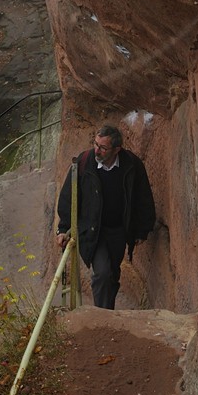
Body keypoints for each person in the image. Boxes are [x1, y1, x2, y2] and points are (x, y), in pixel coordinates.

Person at [56, 123, 156, 309]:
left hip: (118, 231)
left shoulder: (131, 164)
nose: (97, 150)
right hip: (94, 230)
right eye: (95, 144)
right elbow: (68, 197)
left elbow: (143, 197)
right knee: (102, 273)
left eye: (103, 148)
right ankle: (101, 315)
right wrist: (63, 228)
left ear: (117, 149)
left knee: (112, 273)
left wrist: (142, 229)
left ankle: (108, 314)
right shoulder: (83, 163)